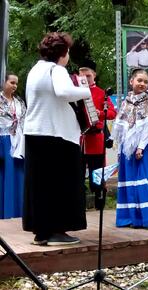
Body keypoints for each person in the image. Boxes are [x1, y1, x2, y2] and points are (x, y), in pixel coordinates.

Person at [23, 32, 92, 245]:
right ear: (62, 53)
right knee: (61, 184)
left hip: (35, 132)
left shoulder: (35, 70)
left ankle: (42, 232)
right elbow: (63, 92)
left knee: (41, 185)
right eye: (68, 52)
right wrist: (85, 91)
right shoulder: (57, 69)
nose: (68, 56)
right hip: (57, 135)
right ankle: (57, 232)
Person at [111, 69, 148, 228]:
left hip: (142, 149)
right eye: (139, 80)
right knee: (130, 180)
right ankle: (129, 217)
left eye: (145, 82)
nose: (142, 84)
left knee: (143, 179)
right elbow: (120, 127)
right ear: (131, 82)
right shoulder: (125, 102)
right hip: (127, 149)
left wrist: (140, 147)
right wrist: (121, 149)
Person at [78, 66, 117, 210]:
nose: (85, 79)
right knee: (78, 175)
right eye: (82, 76)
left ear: (94, 75)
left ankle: (99, 206)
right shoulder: (74, 93)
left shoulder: (101, 93)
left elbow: (112, 113)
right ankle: (79, 207)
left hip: (95, 139)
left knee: (97, 174)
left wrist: (100, 112)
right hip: (78, 140)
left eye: (88, 76)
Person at [0, 73, 25, 219]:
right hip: (2, 141)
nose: (14, 86)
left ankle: (17, 213)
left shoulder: (19, 102)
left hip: (18, 142)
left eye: (16, 83)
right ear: (4, 82)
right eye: (11, 82)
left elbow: (25, 119)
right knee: (4, 176)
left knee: (17, 177)